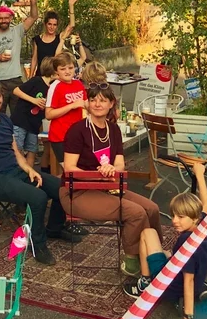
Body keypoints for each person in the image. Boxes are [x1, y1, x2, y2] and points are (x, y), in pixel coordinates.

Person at [0, 82, 82, 266]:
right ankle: (38, 244)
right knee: (38, 197)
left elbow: (16, 152)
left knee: (62, 187)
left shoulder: (5, 120)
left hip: (16, 172)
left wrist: (30, 170)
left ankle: (55, 229)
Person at [60, 82, 161, 277]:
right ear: (87, 103)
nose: (97, 104)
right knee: (137, 213)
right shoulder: (77, 130)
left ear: (111, 104)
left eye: (102, 100)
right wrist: (100, 173)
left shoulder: (113, 130)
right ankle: (132, 261)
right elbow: (70, 168)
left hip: (107, 186)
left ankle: (153, 254)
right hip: (77, 192)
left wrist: (110, 169)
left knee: (152, 209)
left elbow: (120, 164)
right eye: (92, 100)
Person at [123, 162, 207, 319]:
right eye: (173, 215)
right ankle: (194, 289)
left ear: (194, 217)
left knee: (147, 233)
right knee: (167, 253)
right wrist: (200, 174)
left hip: (171, 284)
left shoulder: (186, 242)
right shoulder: (203, 224)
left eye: (180, 217)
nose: (174, 221)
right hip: (193, 281)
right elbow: (206, 204)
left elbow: (188, 281)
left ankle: (145, 284)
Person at [11, 56, 55, 168]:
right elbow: (16, 90)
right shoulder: (37, 81)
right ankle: (19, 174)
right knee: (18, 150)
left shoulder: (53, 87)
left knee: (32, 150)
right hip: (21, 120)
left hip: (34, 124)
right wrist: (33, 100)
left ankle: (29, 176)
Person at [44, 52, 87, 166]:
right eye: (63, 69)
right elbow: (48, 114)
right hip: (61, 137)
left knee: (82, 169)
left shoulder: (78, 84)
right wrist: (71, 106)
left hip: (78, 135)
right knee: (71, 171)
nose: (67, 71)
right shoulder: (55, 86)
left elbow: (85, 104)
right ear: (56, 71)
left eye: (70, 68)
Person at [30, 0, 79, 77]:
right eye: (49, 24)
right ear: (45, 24)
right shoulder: (37, 39)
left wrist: (71, 5)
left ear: (56, 26)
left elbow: (71, 25)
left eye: (54, 25)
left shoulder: (60, 37)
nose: (52, 27)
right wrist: (30, 76)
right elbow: (34, 59)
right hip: (40, 75)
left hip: (55, 76)